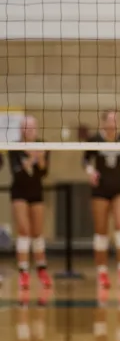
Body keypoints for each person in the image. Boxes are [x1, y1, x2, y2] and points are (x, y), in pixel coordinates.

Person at [84, 110, 120, 289]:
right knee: (101, 232)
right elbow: (86, 160)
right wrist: (90, 173)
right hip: (100, 190)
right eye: (110, 120)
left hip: (119, 189)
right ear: (103, 122)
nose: (113, 123)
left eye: (116, 120)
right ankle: (102, 272)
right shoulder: (94, 140)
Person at [10, 116, 51, 290]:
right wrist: (30, 158)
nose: (29, 130)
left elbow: (43, 173)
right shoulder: (14, 147)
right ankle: (23, 272)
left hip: (36, 192)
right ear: (21, 129)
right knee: (24, 230)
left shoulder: (43, 145)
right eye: (26, 127)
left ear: (37, 128)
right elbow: (18, 173)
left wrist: (40, 158)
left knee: (37, 232)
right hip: (19, 192)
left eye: (32, 127)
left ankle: (42, 269)